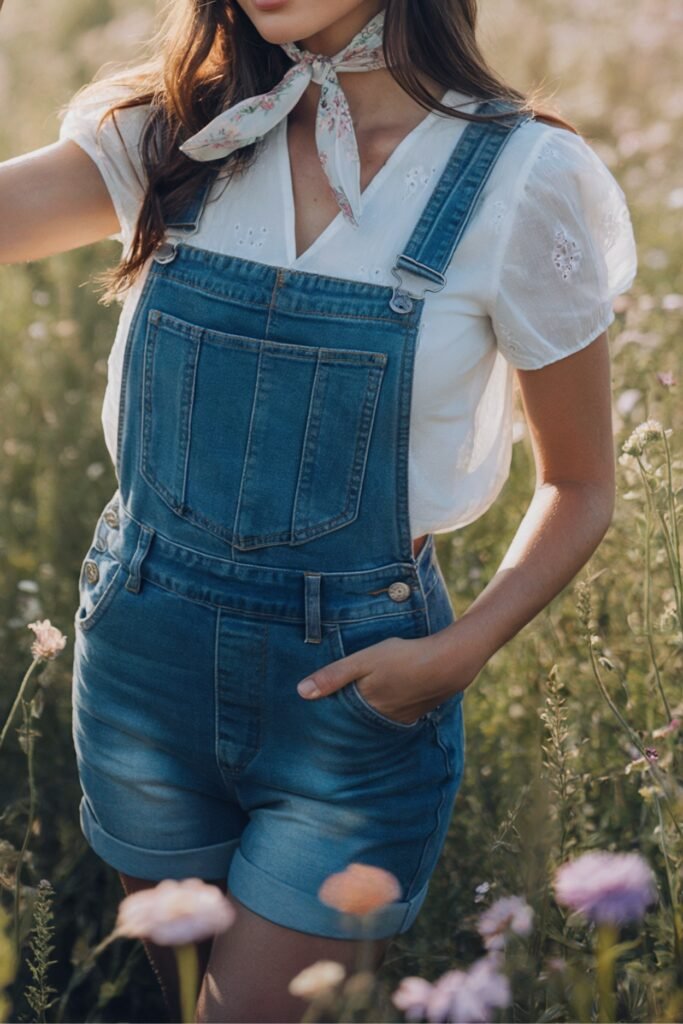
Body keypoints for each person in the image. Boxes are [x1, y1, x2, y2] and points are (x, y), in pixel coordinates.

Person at [0, 0, 637, 1020]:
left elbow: (580, 483)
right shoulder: (179, 134)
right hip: (141, 668)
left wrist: (457, 651)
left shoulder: (518, 178)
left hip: (347, 698)